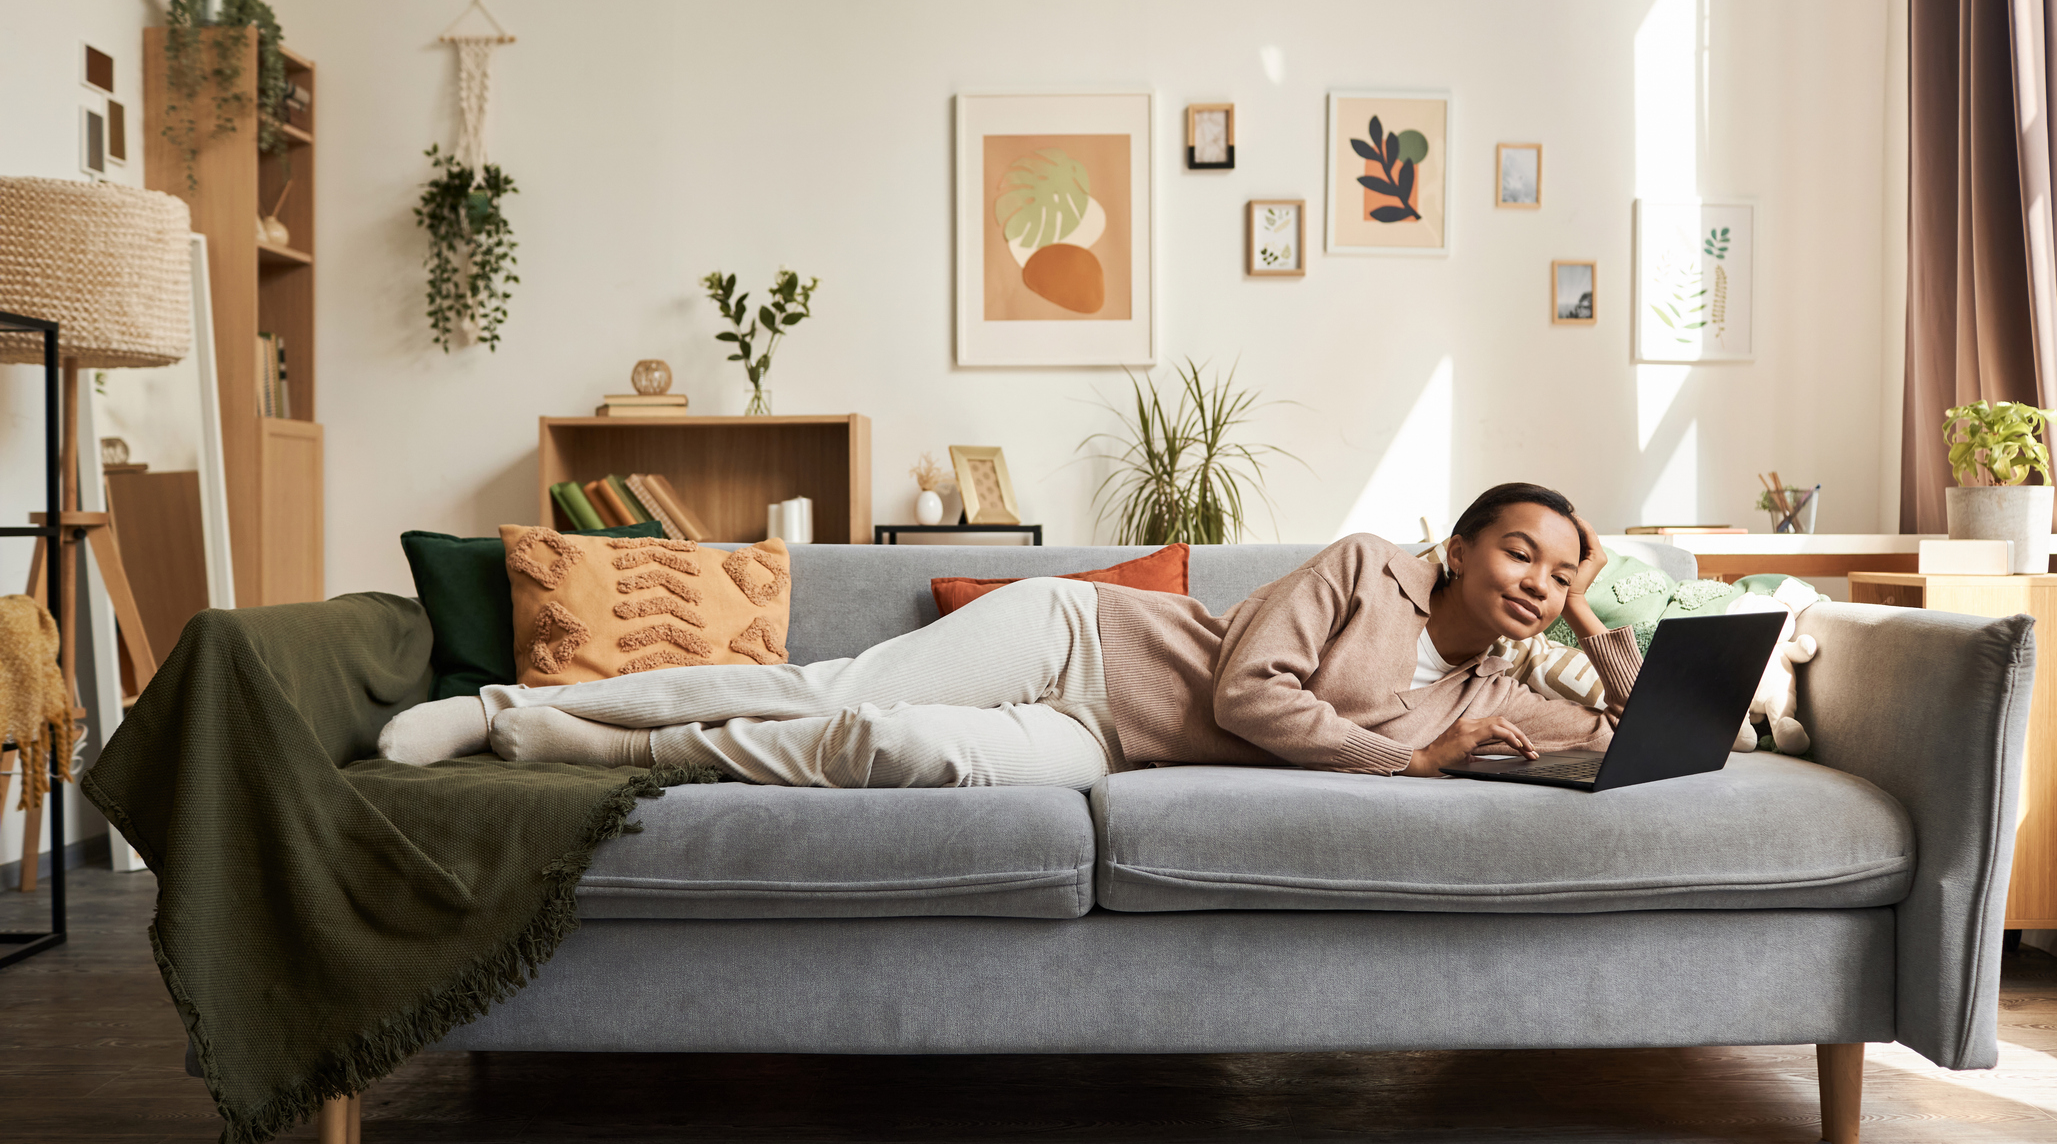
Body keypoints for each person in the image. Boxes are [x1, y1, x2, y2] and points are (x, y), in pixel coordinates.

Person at [377, 482, 1642, 788]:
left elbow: (1623, 735)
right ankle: (498, 709)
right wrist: (1410, 764)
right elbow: (1254, 695)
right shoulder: (1368, 568)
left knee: (890, 742)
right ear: (1464, 546)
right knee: (816, 682)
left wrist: (1594, 611)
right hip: (1084, 645)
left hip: (1107, 744)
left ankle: (583, 743)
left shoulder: (1494, 683)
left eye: (1562, 571)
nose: (1539, 579)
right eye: (1525, 551)